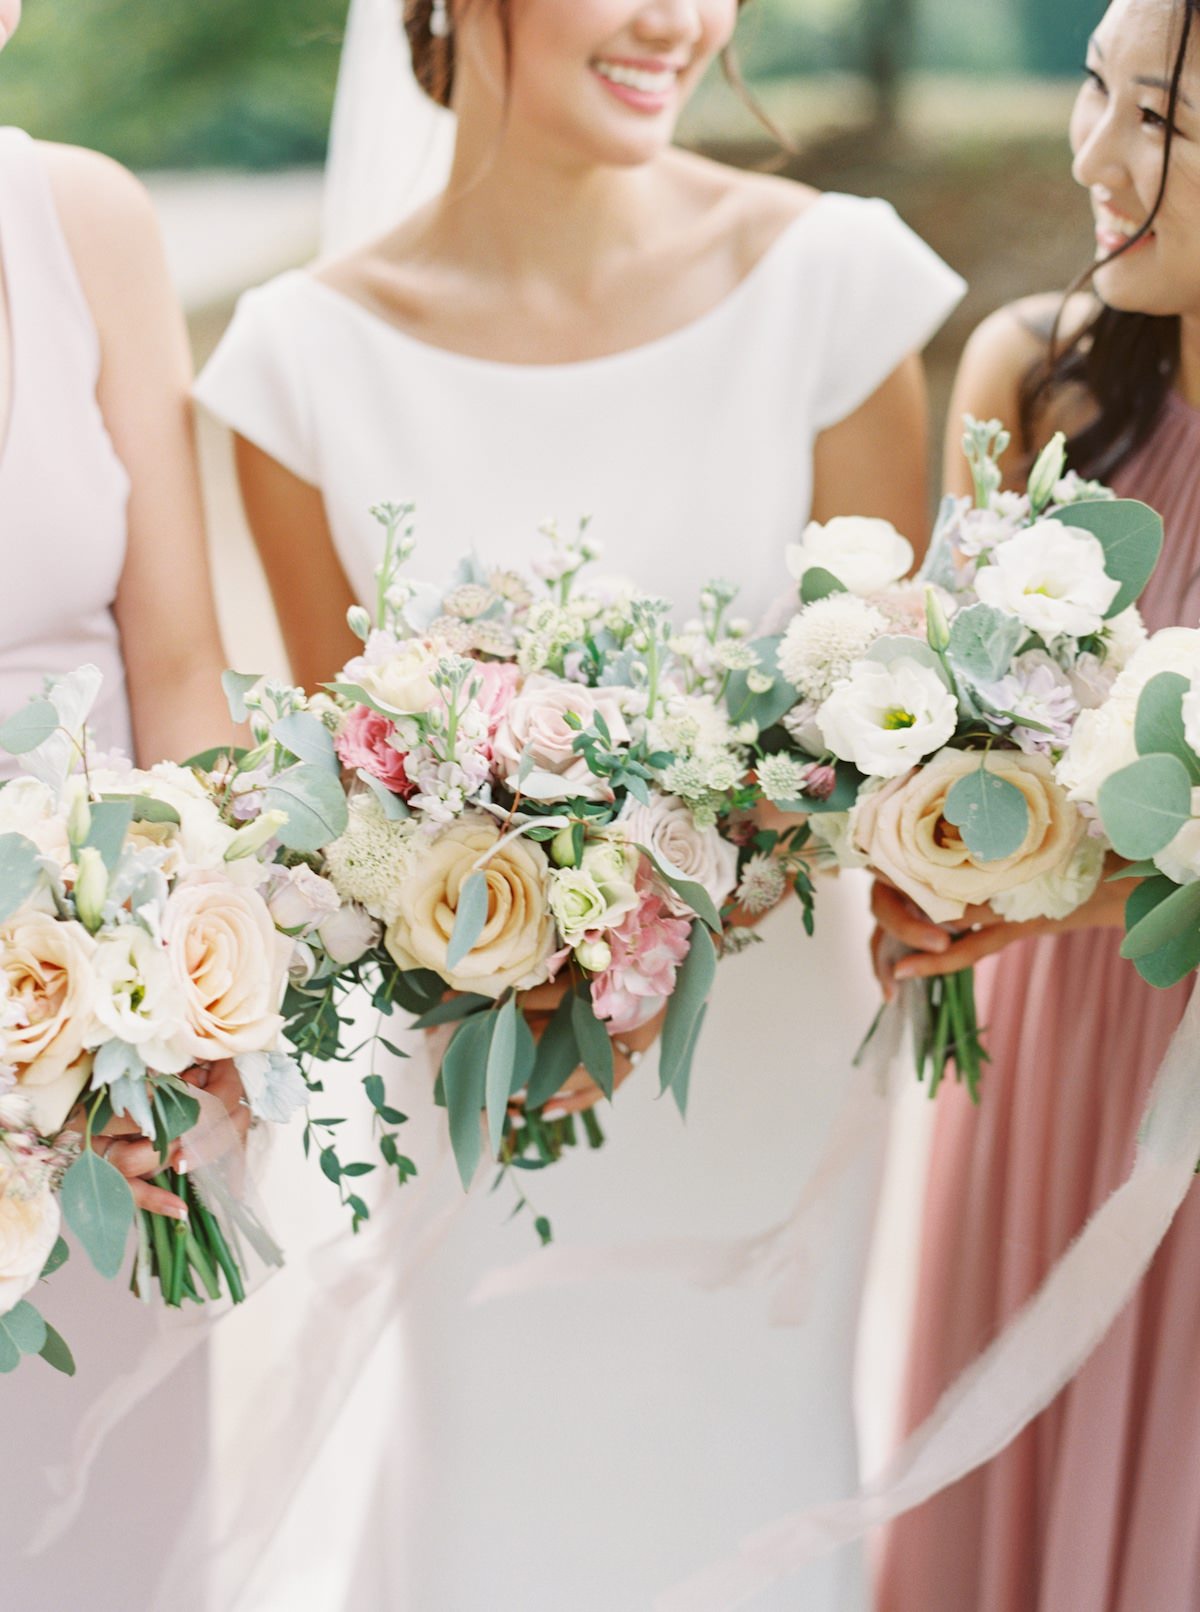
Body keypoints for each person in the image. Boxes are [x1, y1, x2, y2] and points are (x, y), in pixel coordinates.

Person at [196, 1, 963, 1605]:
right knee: (497, 1498)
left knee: (756, 1487)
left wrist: (670, 918)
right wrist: (519, 959)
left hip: (760, 1069)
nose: (677, 21)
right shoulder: (298, 362)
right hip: (487, 1085)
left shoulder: (831, 286)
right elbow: (344, 820)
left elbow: (886, 743)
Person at [875, 2, 1200, 1607]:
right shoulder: (1036, 383)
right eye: (1094, 86)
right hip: (1050, 1062)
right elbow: (946, 743)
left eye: (1165, 123)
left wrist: (1086, 891)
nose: (1096, 152)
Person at [0, 3, 245, 1604]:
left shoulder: (83, 221)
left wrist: (204, 1010)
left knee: (99, 1531)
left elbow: (178, 664)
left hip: (98, 1056)